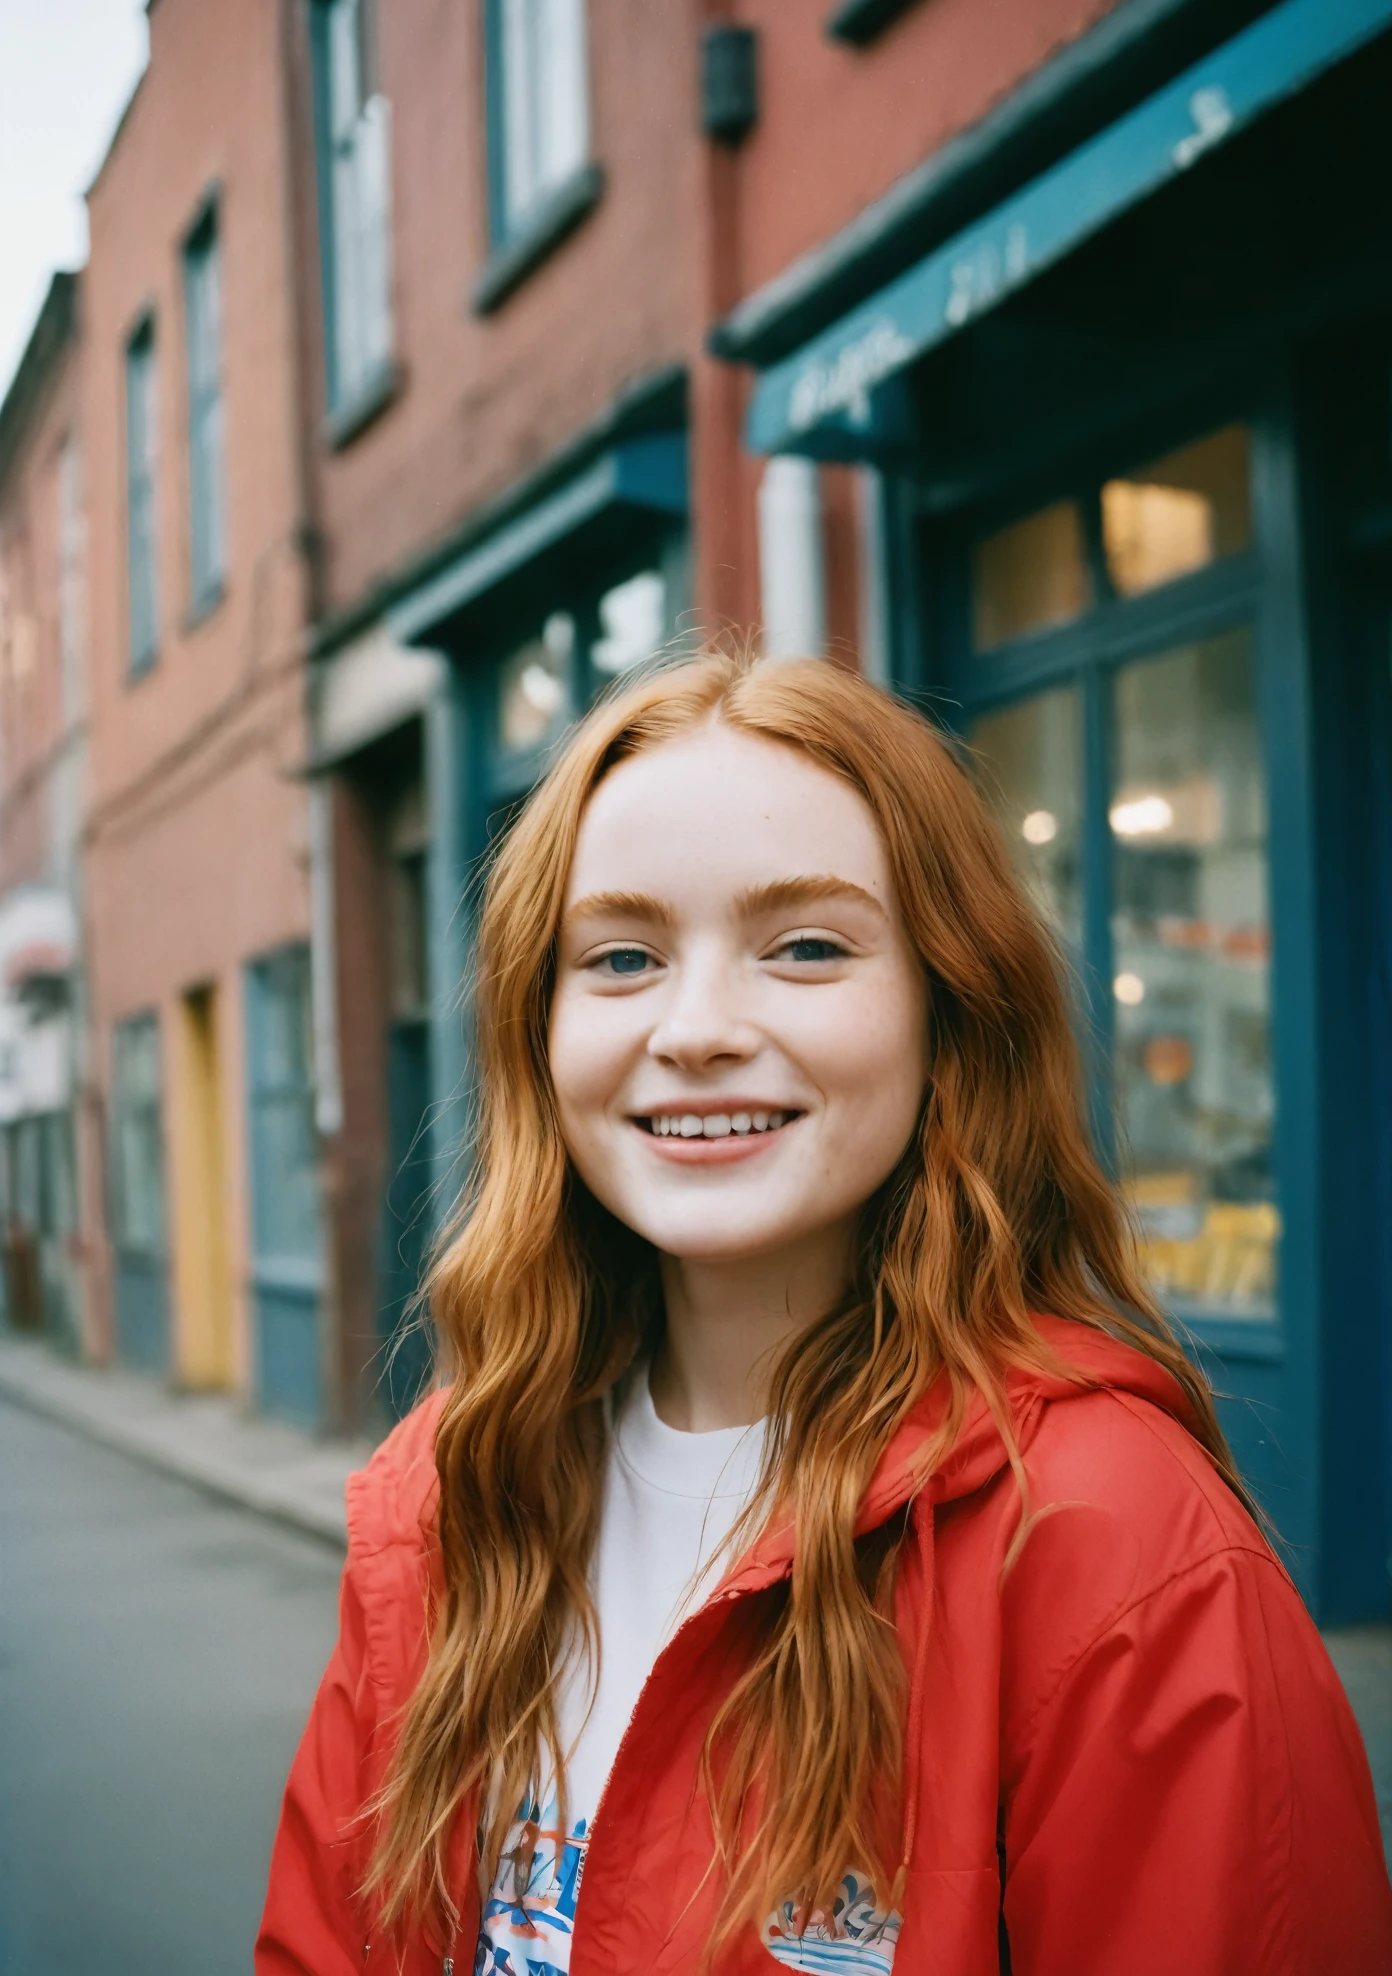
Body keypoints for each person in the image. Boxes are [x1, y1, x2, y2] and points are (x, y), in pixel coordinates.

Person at [256, 651, 1391, 1976]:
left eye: (805, 947)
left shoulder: (1118, 1552)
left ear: (947, 1009)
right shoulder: (446, 1500)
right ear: (540, 1034)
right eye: (621, 957)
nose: (696, 1028)